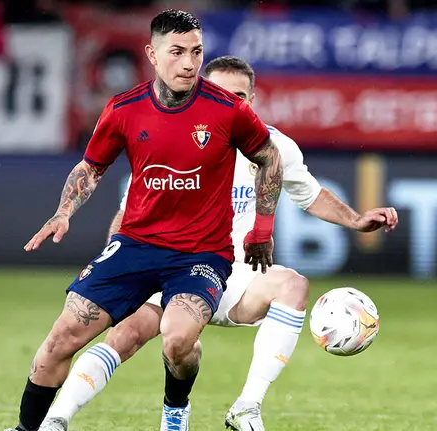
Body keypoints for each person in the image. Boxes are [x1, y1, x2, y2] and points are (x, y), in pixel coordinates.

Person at [39, 56, 399, 431]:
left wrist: (356, 220)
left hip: (232, 274)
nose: (232, 104)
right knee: (135, 338)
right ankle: (58, 419)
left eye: (240, 96)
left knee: (293, 285)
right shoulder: (172, 140)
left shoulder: (274, 147)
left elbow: (310, 194)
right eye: (220, 94)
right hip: (168, 264)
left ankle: (247, 406)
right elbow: (129, 212)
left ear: (253, 99)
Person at [5, 11, 283, 431]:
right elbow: (90, 168)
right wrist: (64, 211)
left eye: (196, 52)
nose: (189, 63)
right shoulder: (123, 109)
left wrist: (262, 228)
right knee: (61, 339)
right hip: (135, 246)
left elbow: (269, 157)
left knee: (177, 339)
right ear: (152, 54)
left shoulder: (227, 110)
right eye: (177, 53)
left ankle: (175, 410)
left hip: (201, 253)